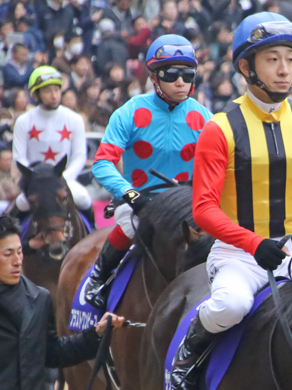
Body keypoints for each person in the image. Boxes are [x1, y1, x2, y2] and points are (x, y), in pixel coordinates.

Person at [170, 12, 292, 390]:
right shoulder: (219, 128)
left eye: (290, 59)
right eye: (273, 59)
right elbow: (203, 209)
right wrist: (253, 243)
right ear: (246, 67)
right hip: (238, 253)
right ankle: (191, 347)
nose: (285, 70)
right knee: (231, 306)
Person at [84, 34, 213, 309]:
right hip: (139, 199)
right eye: (171, 74)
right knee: (128, 225)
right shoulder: (129, 112)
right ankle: (98, 276)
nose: (181, 81)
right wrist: (130, 195)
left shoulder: (205, 118)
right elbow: (102, 163)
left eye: (188, 74)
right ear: (154, 77)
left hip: (187, 204)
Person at [0, 214, 125, 390]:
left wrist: (95, 334)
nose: (17, 260)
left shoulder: (40, 299)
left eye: (19, 252)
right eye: (7, 254)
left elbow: (53, 353)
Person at [12, 65, 94, 223]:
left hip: (64, 181)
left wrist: (62, 179)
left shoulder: (75, 119)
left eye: (57, 90)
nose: (54, 95)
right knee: (20, 205)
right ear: (36, 95)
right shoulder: (23, 121)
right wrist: (34, 179)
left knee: (84, 198)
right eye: (47, 91)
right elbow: (19, 158)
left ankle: (93, 230)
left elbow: (79, 157)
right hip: (35, 184)